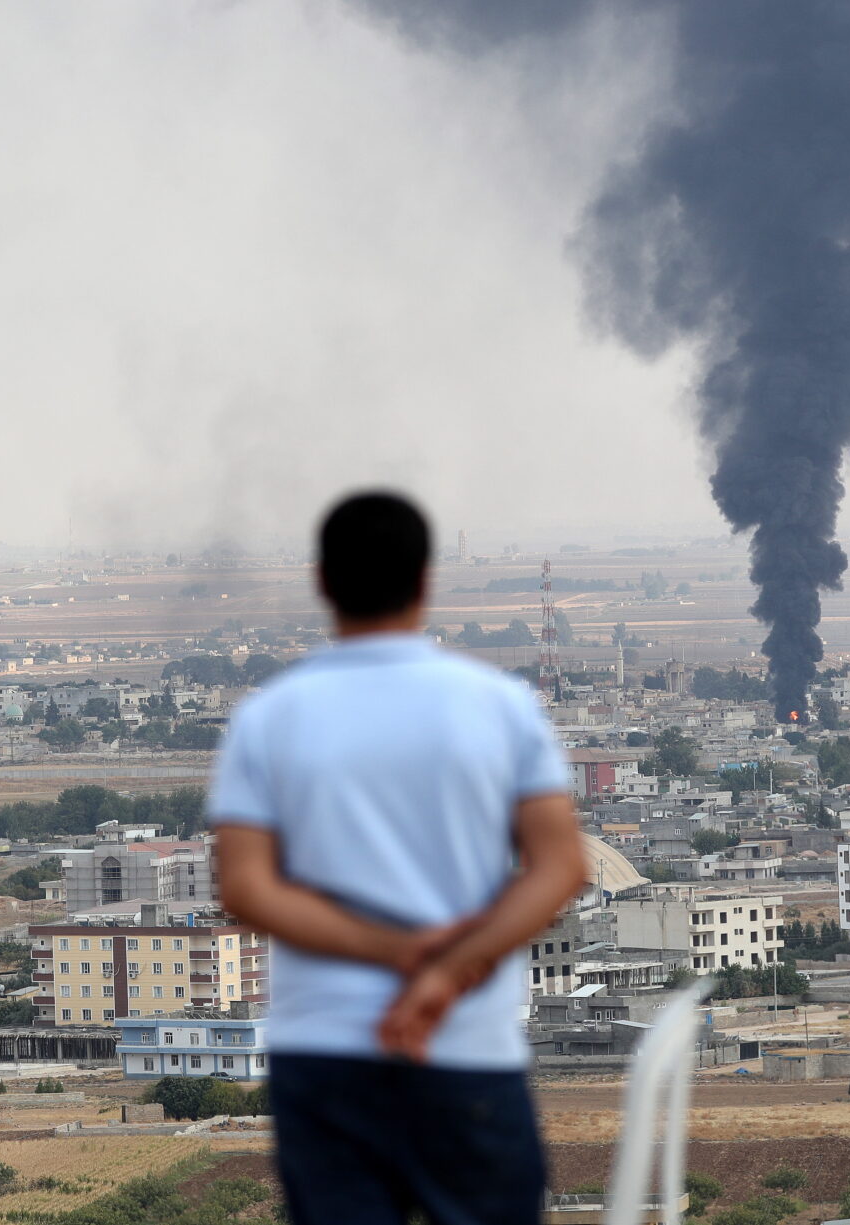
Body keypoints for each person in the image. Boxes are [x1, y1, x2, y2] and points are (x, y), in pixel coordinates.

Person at [208, 492, 587, 1225]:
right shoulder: (500, 704)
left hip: (323, 1053)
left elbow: (246, 886)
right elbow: (560, 867)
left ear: (322, 581)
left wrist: (388, 948)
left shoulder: (270, 715)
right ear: (425, 580)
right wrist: (444, 970)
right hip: (466, 1046)